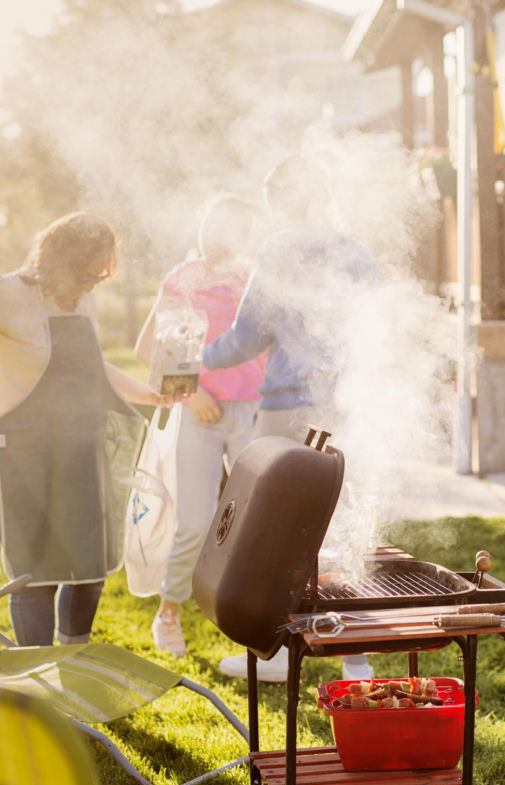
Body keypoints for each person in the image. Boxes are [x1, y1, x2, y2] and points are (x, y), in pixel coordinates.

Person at [0, 212, 171, 647]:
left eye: (97, 279)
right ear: (60, 262)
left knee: (87, 568)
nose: (90, 288)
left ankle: (72, 664)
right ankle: (38, 677)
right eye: (86, 277)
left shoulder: (81, 300)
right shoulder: (5, 295)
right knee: (36, 576)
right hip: (11, 457)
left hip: (74, 457)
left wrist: (150, 395)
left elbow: (91, 366)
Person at [203, 155, 375, 683]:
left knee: (271, 530)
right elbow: (379, 322)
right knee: (342, 526)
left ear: (283, 196)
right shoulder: (353, 250)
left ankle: (273, 653)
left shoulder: (279, 247)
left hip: (286, 407)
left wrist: (201, 359)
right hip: (342, 402)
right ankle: (357, 659)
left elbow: (250, 334)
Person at [135, 194, 265, 657]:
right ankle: (168, 613)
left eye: (228, 226)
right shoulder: (183, 279)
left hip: (254, 414)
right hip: (200, 416)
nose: (215, 234)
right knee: (194, 523)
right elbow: (148, 348)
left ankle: (255, 624)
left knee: (256, 525)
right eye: (210, 223)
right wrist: (192, 394)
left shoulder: (258, 276)